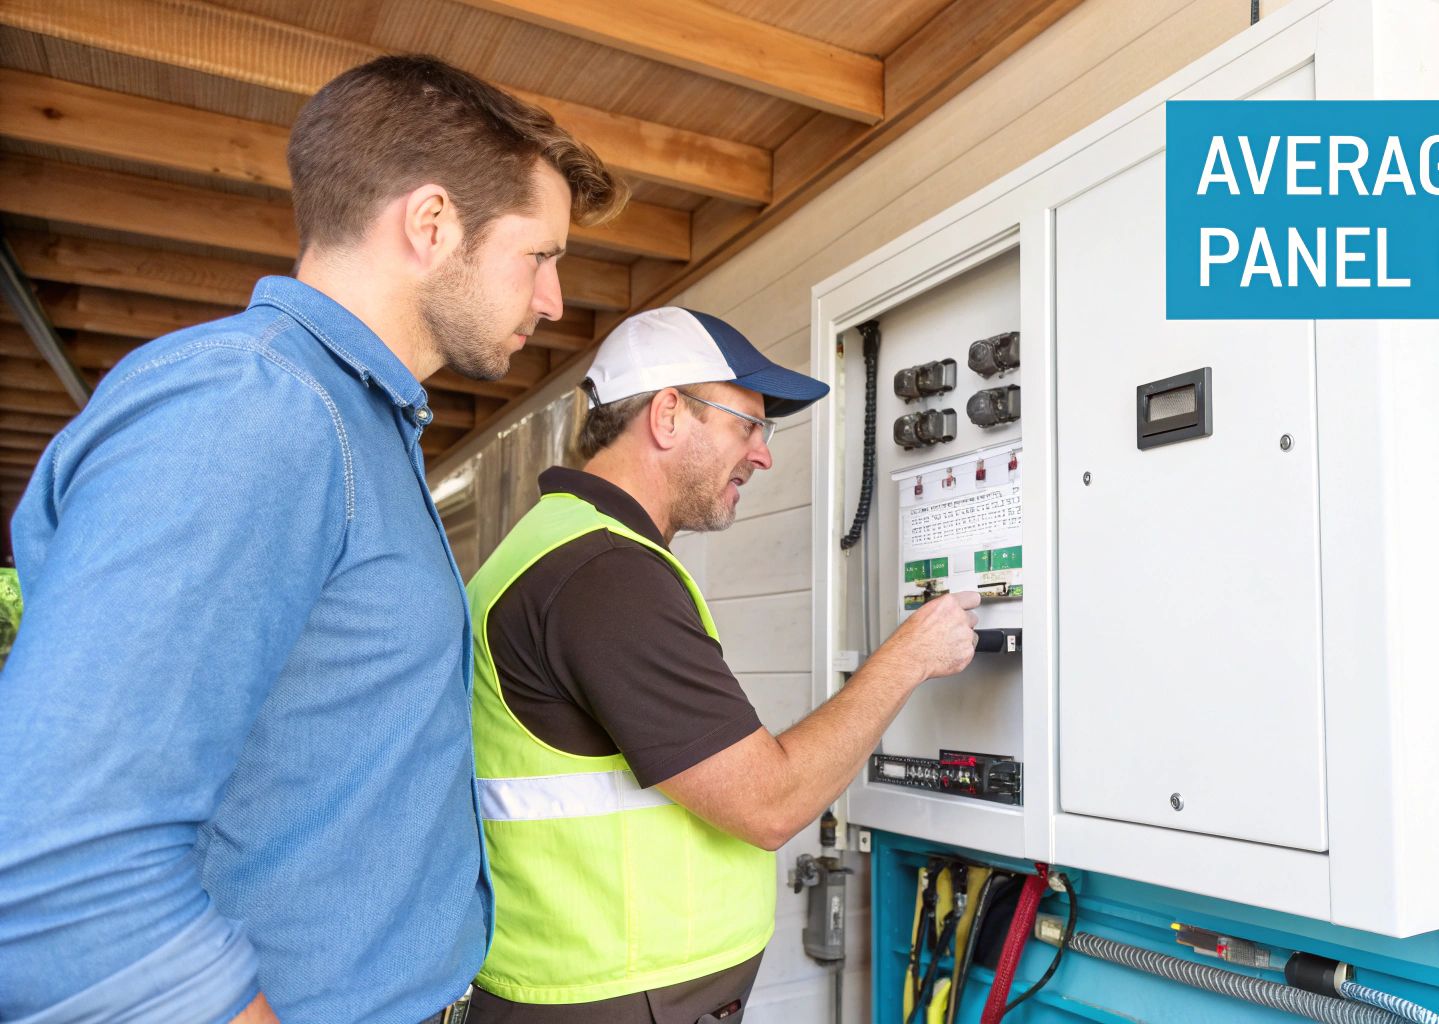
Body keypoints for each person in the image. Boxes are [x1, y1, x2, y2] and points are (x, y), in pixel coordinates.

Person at [0, 55, 625, 1024]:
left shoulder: (352, 422)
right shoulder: (255, 407)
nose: (552, 300)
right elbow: (60, 872)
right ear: (431, 223)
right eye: (540, 255)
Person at [464, 307, 979, 1023]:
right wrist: (909, 658)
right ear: (668, 414)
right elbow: (769, 804)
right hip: (610, 997)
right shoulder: (603, 574)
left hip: (595, 986)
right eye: (747, 426)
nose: (763, 456)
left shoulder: (565, 546)